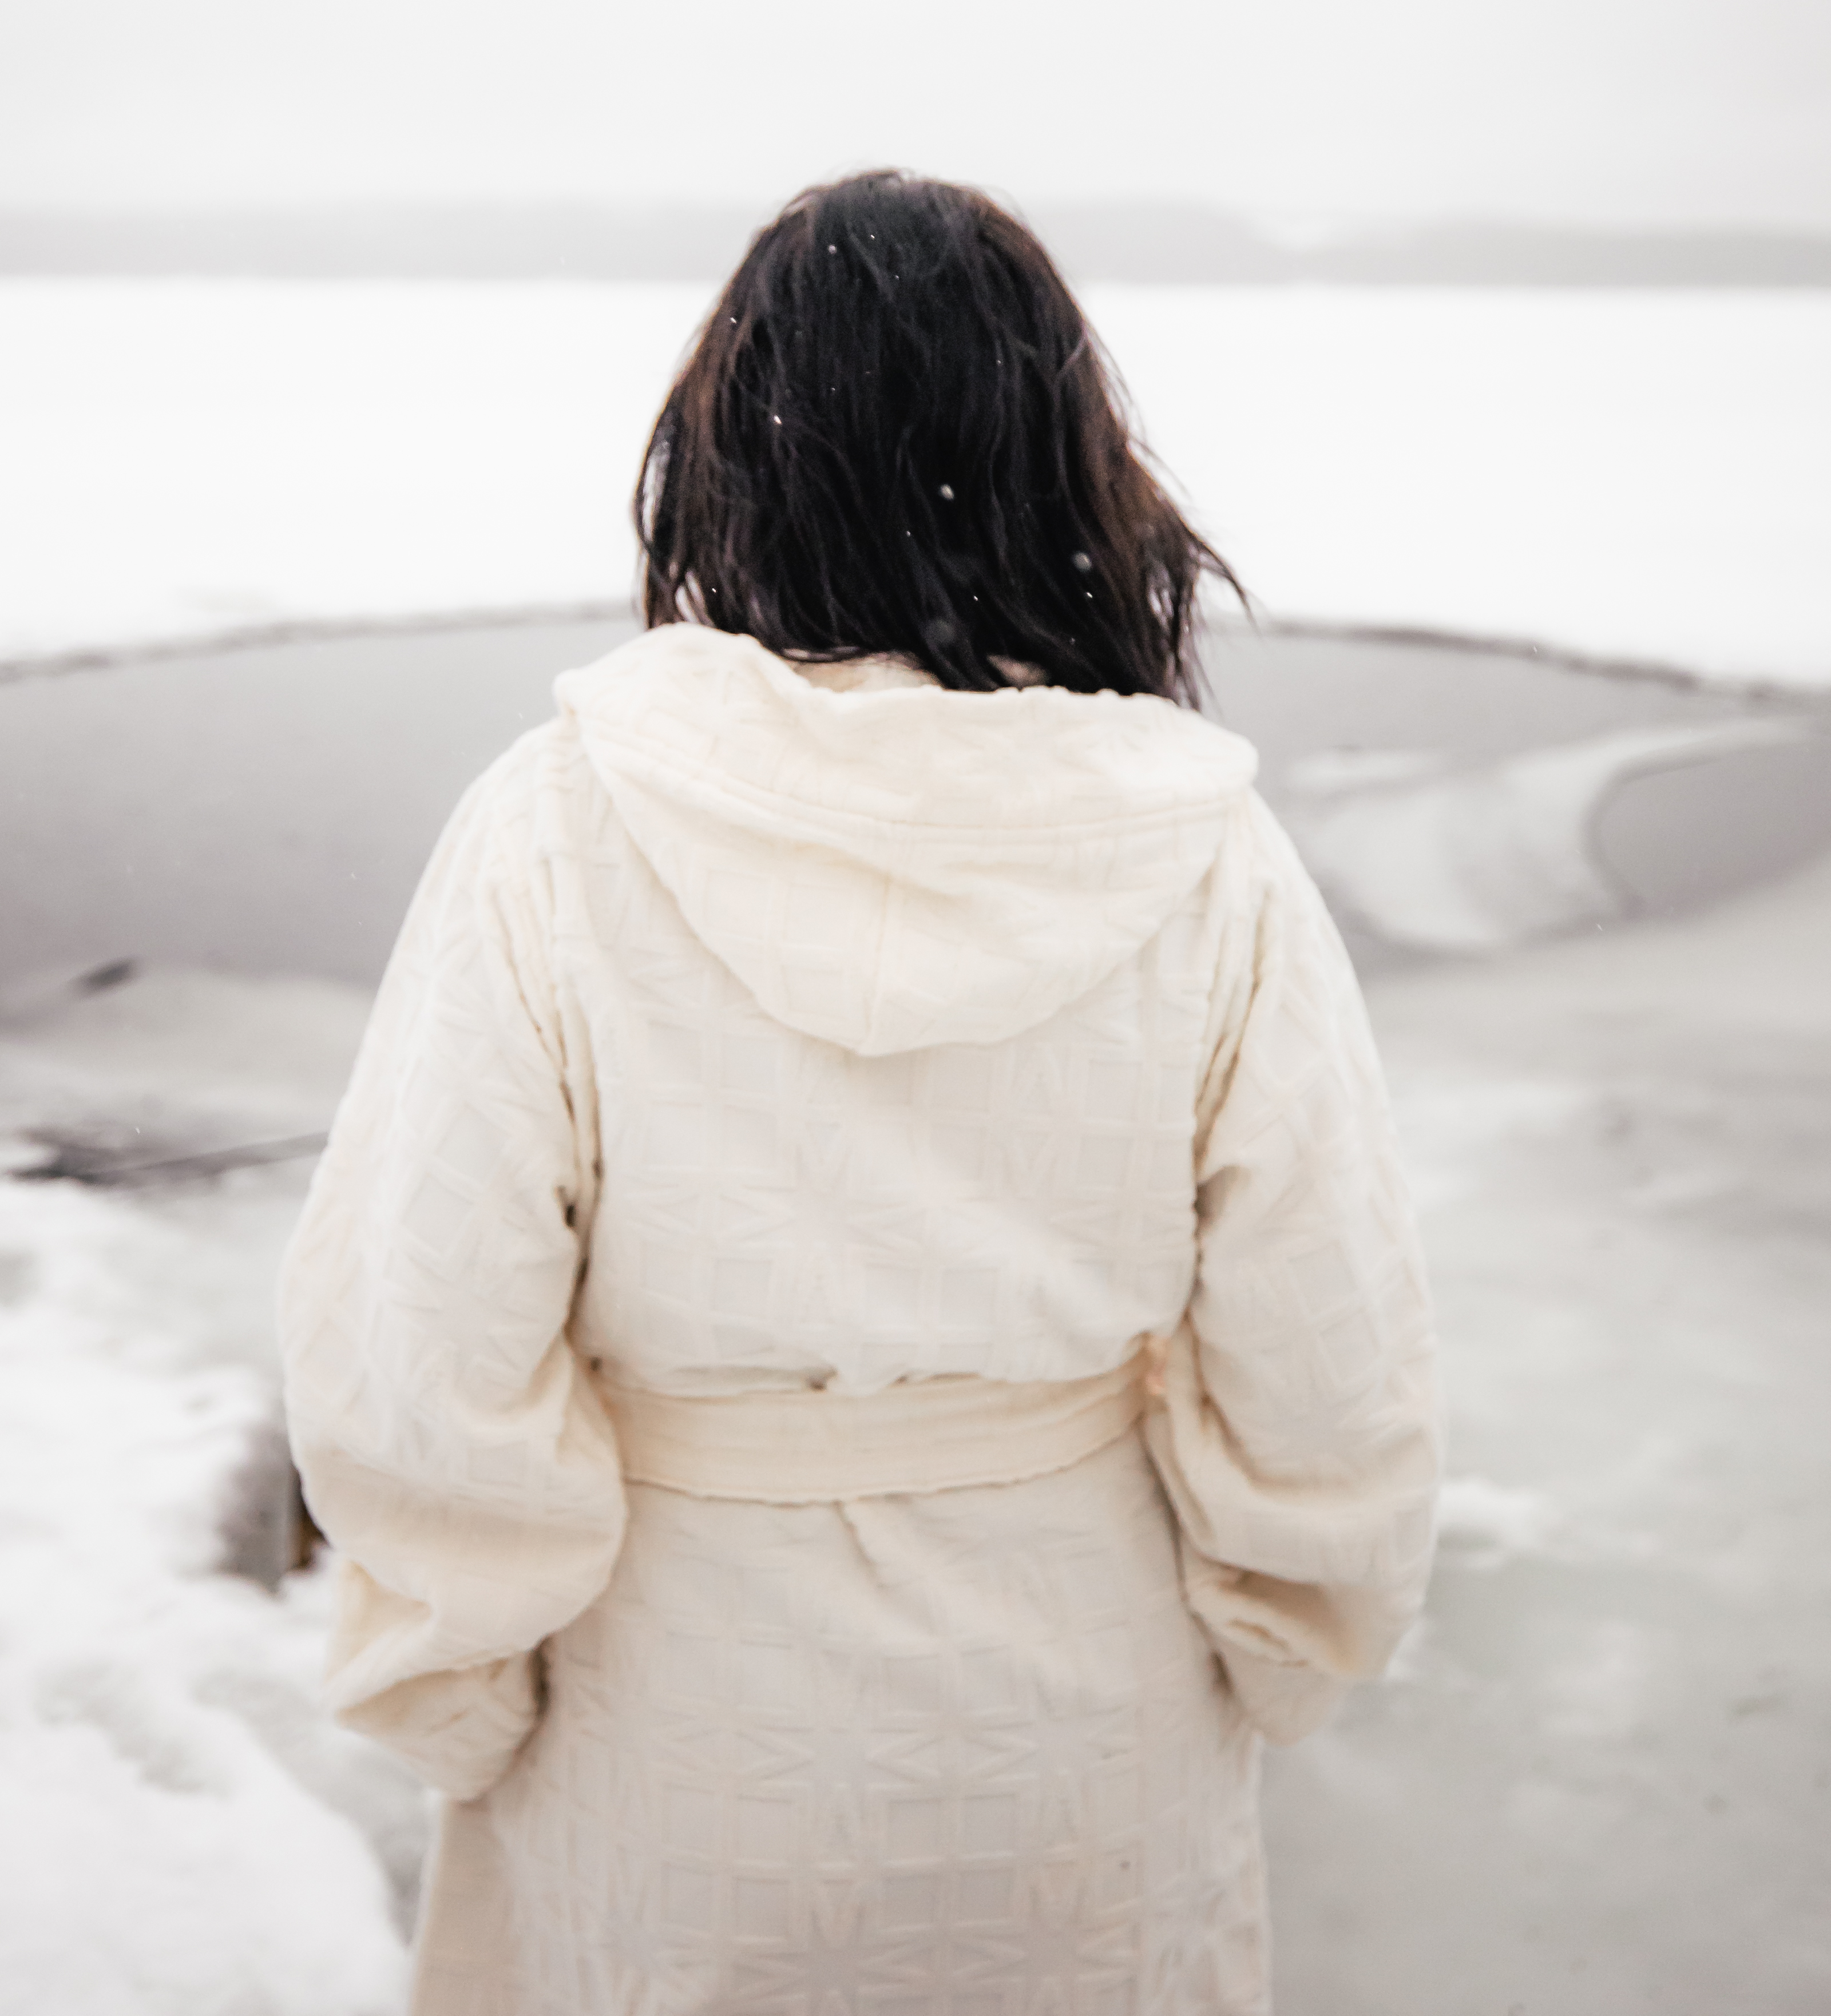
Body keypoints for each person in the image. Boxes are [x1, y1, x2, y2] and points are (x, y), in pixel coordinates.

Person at [279, 170, 1441, 2016]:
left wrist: (459, 1673)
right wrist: (1291, 1634)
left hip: (669, 1724)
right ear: (1065, 460)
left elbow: (421, 1326)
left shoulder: (558, 823)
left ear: (732, 455)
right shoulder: (1207, 851)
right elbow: (1332, 1337)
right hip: (1083, 1721)